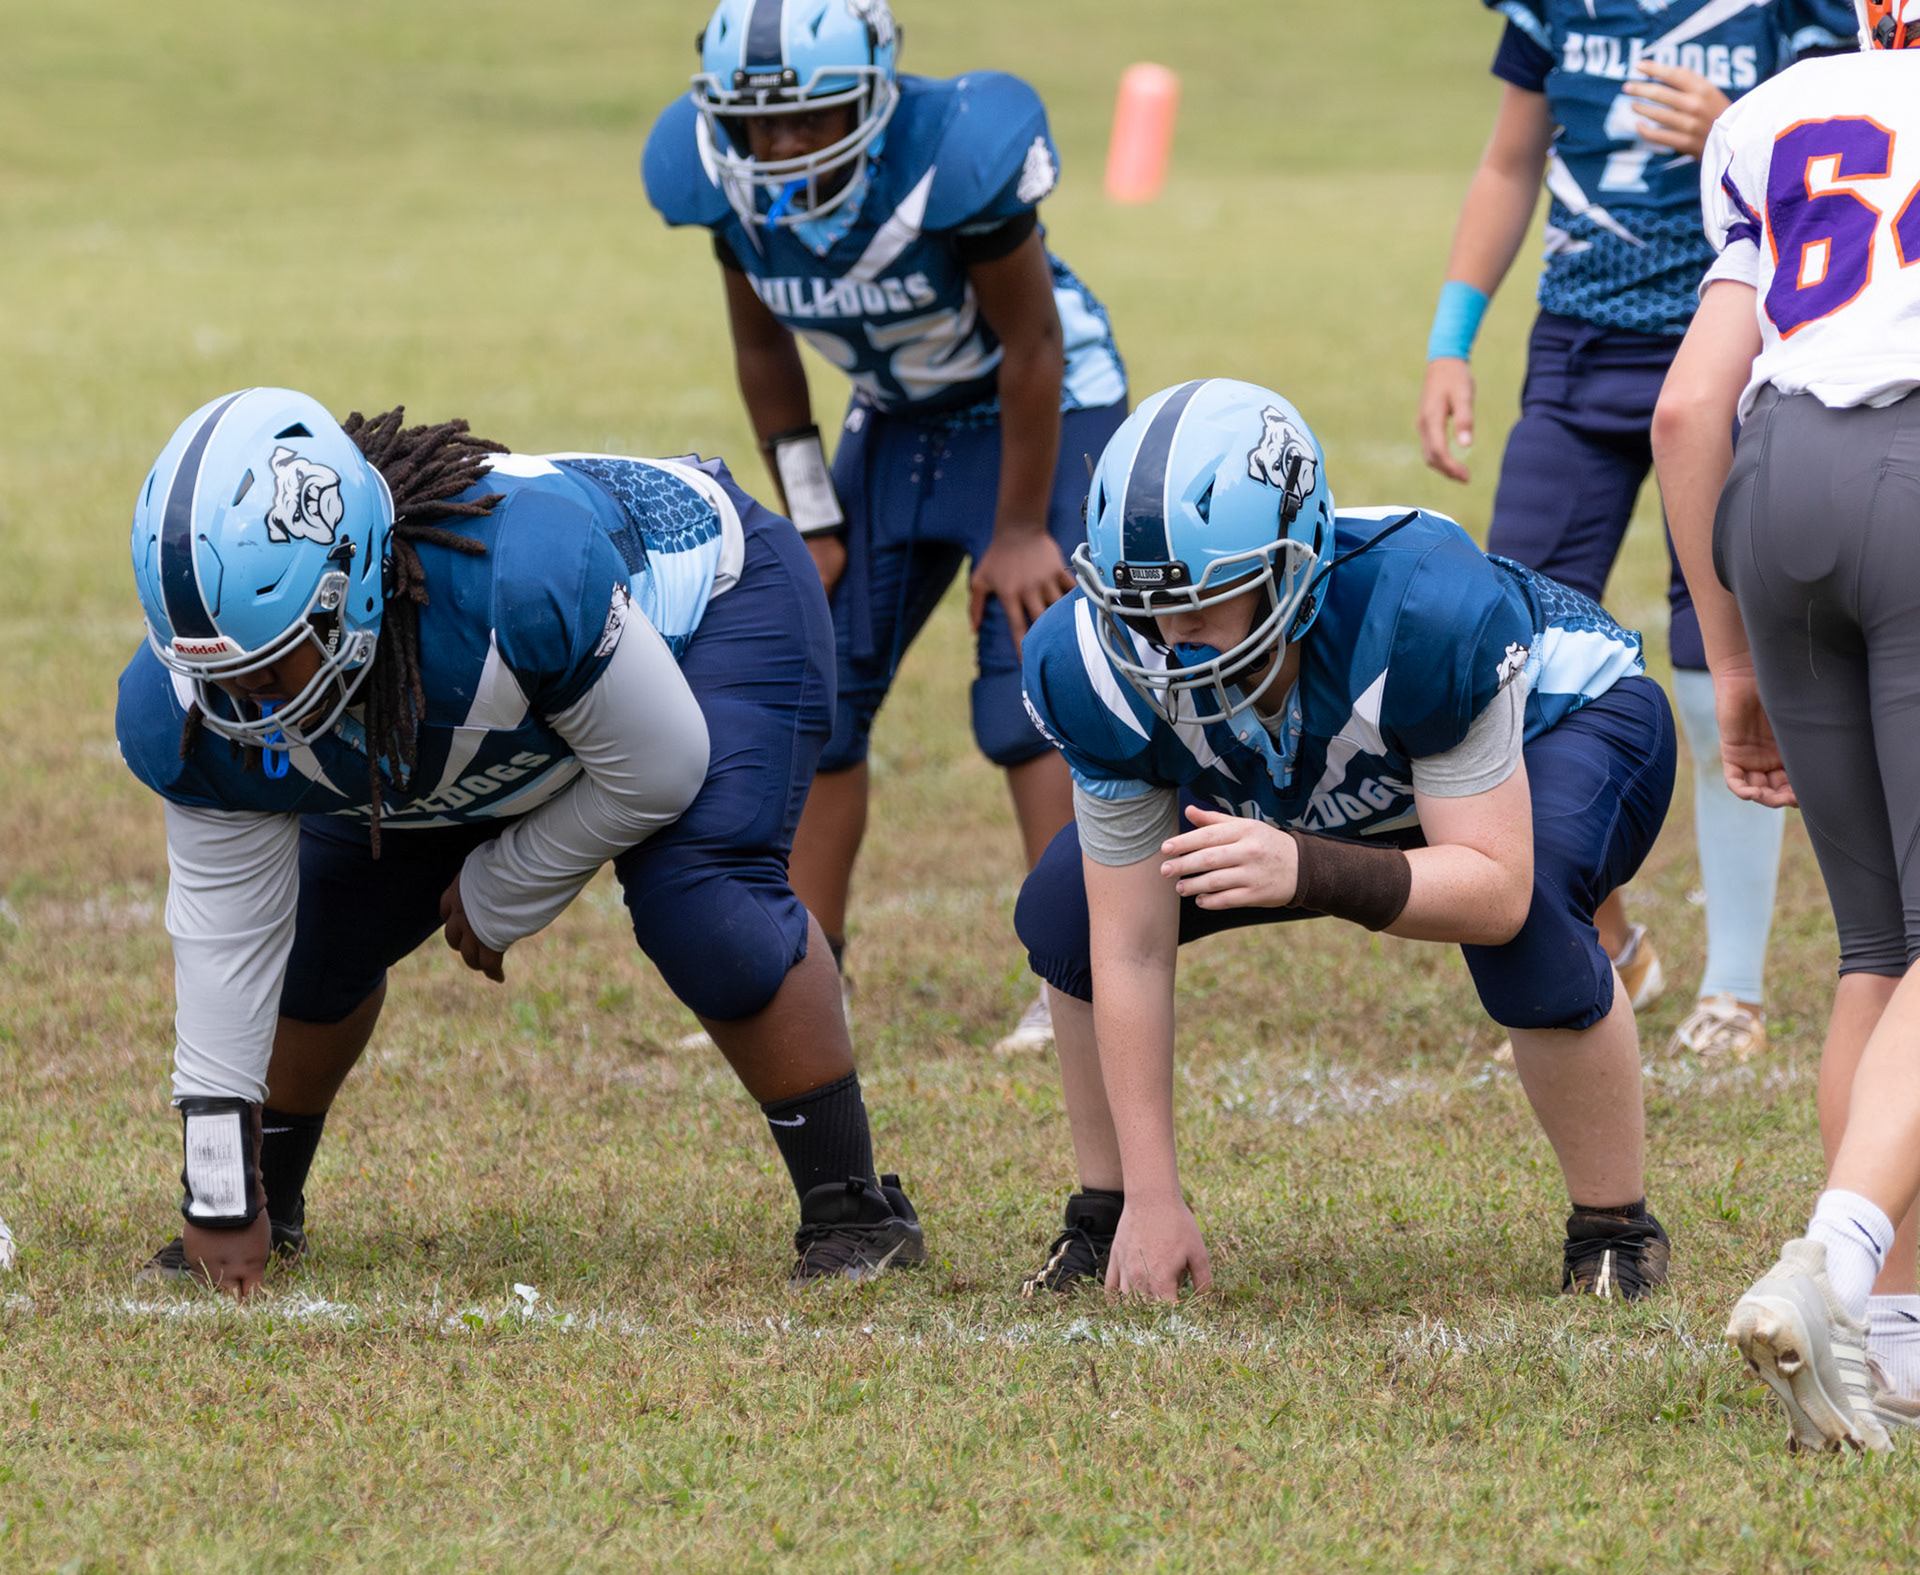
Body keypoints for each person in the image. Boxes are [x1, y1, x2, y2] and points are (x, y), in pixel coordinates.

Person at [118, 387, 925, 1295]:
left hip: (710, 613)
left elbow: (659, 764)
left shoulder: (517, 582)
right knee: (314, 935)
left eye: (272, 661)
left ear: (356, 582)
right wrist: (219, 1196)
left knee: (702, 899)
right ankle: (272, 1199)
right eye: (220, 673)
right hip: (497, 709)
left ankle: (854, 1210)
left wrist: (507, 881)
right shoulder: (185, 707)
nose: (248, 705)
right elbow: (227, 945)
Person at [1013, 378, 1676, 1302]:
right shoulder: (1090, 662)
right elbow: (1127, 940)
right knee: (1067, 910)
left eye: (1208, 595)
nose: (1169, 631)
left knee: (1526, 925)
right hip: (1323, 775)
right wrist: (1155, 1197)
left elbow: (1495, 888)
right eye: (1142, 601)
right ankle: (1109, 1208)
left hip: (1559, 725)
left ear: (1294, 565)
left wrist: (1308, 868)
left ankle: (1614, 1226)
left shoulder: (1419, 615)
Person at [642, 0, 1128, 1052]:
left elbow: (1034, 344)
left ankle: (1078, 971)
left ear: (872, 95)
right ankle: (802, 963)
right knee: (820, 680)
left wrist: (1020, 530)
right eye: (756, 122)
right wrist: (814, 516)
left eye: (809, 117)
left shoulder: (955, 157)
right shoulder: (722, 187)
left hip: (1044, 405)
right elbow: (764, 354)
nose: (780, 145)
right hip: (901, 415)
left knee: (1029, 682)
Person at [1416, 0, 1852, 1059]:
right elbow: (1510, 161)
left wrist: (1737, 131)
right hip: (1575, 350)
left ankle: (1734, 987)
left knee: (1719, 659)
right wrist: (1451, 339)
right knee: (1503, 658)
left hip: (1733, 340)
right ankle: (1603, 943)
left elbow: (1852, 159)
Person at [1654, 0, 1920, 1453]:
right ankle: (1839, 1262)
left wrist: (1729, 651)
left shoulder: (1779, 110)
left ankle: (1894, 1337)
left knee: (1882, 947)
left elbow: (1689, 409)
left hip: (1776, 490)